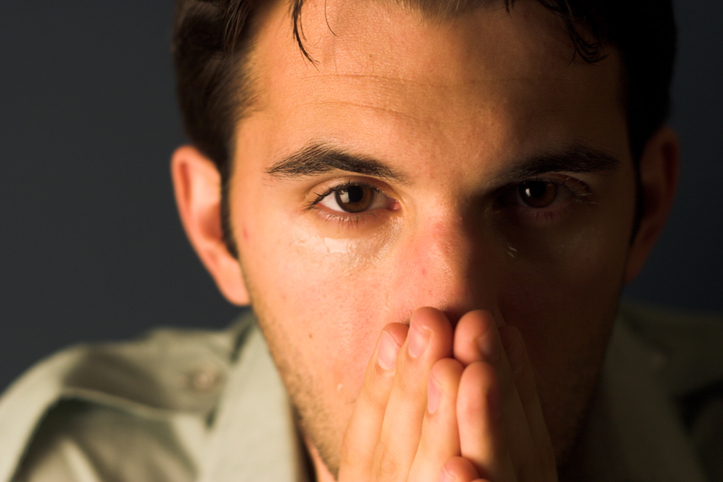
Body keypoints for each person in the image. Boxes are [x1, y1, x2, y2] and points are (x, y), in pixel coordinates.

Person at [1, 0, 722, 481]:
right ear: (214, 228)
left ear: (647, 210)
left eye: (537, 195)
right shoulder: (65, 466)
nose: (450, 306)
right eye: (350, 197)